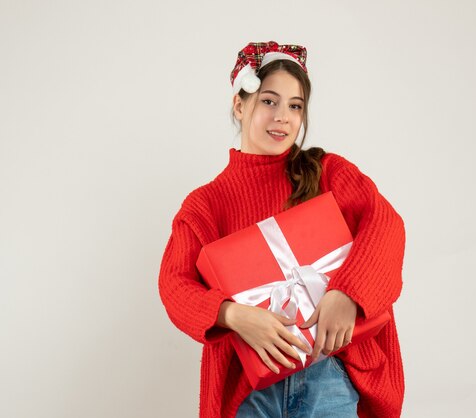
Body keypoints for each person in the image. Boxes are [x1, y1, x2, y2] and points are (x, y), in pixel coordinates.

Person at [158, 40, 406, 418]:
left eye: (295, 106)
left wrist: (348, 294)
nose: (283, 117)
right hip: (250, 390)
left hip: (331, 376)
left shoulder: (328, 172)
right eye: (269, 101)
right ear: (240, 105)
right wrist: (234, 316)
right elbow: (174, 285)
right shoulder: (205, 204)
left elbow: (386, 225)